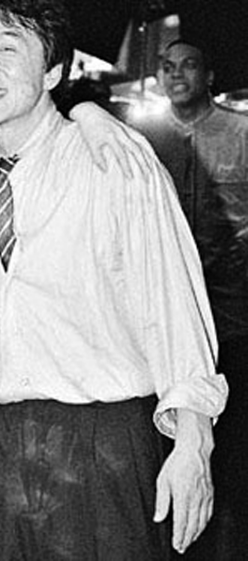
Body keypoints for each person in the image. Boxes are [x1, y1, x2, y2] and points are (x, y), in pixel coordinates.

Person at [0, 1, 229, 559]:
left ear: (53, 71)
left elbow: (171, 301)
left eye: (7, 49)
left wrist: (194, 442)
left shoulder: (113, 161)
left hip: (102, 444)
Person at [128, 38, 248, 560]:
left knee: (233, 458)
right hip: (166, 324)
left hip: (233, 319)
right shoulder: (143, 137)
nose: (177, 75)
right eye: (167, 66)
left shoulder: (241, 132)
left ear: (209, 74)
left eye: (189, 65)